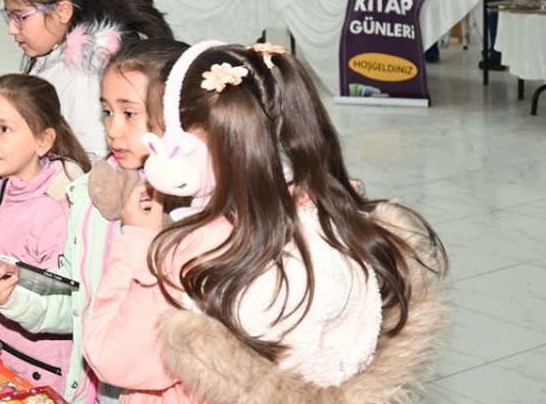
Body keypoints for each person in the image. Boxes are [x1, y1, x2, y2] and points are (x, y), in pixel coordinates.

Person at [81, 42, 448, 404]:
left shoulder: (192, 250)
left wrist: (139, 241)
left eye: (166, 132)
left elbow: (111, 358)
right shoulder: (333, 212)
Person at [0, 37, 188, 404]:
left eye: (129, 113)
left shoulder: (203, 217)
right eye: (107, 112)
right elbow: (77, 306)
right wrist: (14, 300)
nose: (113, 130)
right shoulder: (92, 197)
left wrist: (143, 237)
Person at [0, 73, 91, 388]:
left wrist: (9, 297)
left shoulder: (58, 210)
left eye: (4, 129)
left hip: (34, 374)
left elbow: (65, 306)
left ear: (43, 141)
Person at [0, 0, 173, 161]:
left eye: (20, 16)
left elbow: (95, 160)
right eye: (8, 15)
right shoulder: (51, 58)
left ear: (62, 11)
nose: (12, 29)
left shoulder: (84, 77)